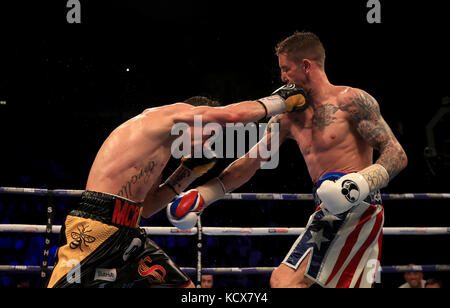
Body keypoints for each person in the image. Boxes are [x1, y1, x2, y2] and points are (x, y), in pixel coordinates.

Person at [167, 31, 408, 288]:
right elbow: (251, 161)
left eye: (286, 69)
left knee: (285, 281)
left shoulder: (351, 100)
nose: (282, 77)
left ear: (306, 65)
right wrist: (205, 194)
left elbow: (396, 154)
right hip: (329, 206)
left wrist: (356, 185)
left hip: (358, 204)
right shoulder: (287, 119)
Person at [46, 88, 308, 288]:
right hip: (95, 228)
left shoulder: (162, 146)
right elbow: (233, 115)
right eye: (209, 133)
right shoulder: (166, 116)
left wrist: (188, 172)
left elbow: (147, 208)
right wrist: (280, 100)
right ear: (198, 118)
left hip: (129, 233)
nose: (207, 142)